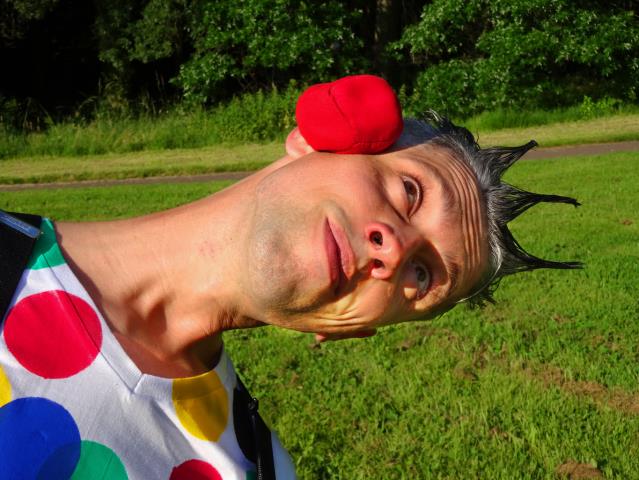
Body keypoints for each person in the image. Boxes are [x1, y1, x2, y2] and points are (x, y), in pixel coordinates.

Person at [0, 76, 580, 479]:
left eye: (422, 276)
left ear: (355, 328)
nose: (396, 247)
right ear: (317, 137)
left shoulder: (251, 471)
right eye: (409, 190)